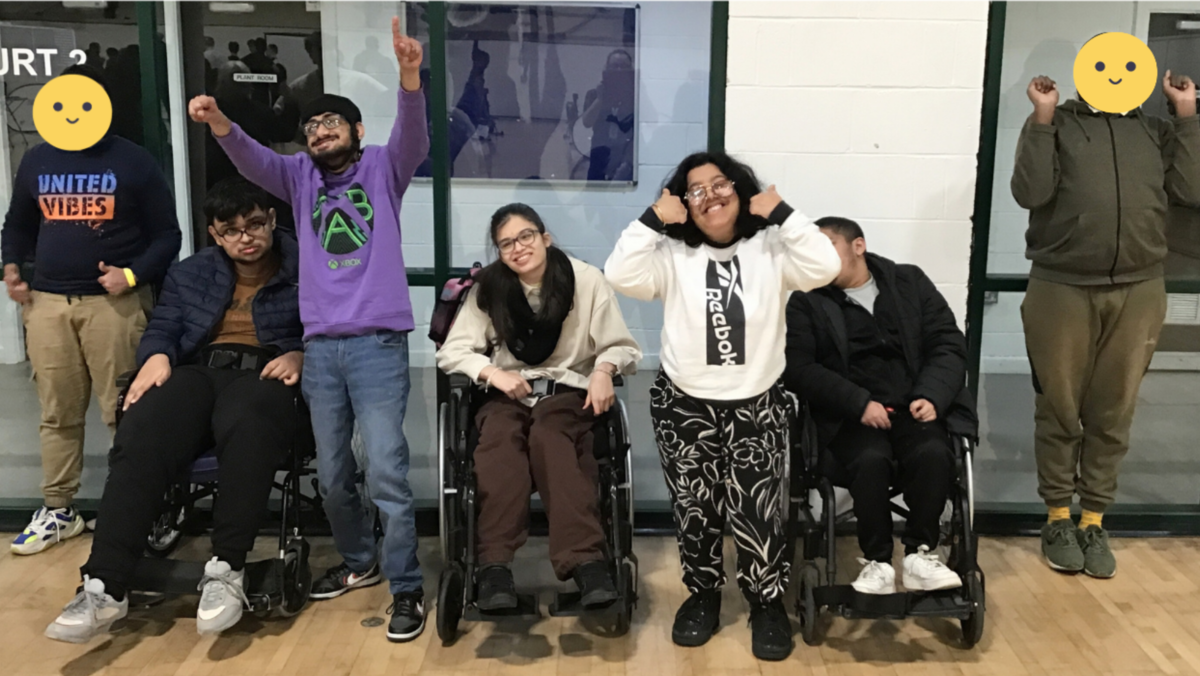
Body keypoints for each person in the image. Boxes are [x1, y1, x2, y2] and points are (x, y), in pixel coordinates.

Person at [188, 17, 430, 643]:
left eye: (333, 124)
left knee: (385, 470)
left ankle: (407, 589)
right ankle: (359, 563)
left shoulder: (382, 168)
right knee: (330, 474)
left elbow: (414, 138)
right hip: (321, 347)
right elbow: (253, 157)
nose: (320, 132)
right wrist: (220, 123)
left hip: (376, 342)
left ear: (356, 132)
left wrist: (409, 77)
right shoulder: (297, 180)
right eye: (313, 127)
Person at [42, 178, 303, 643]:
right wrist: (158, 354)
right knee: (142, 430)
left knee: (249, 423)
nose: (246, 237)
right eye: (232, 230)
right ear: (215, 234)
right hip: (198, 368)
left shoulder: (306, 267)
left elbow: (329, 325)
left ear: (273, 220)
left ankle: (227, 569)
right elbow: (163, 326)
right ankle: (104, 585)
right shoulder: (192, 272)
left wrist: (302, 354)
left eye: (256, 224)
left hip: (265, 371)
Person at [604, 152, 841, 661]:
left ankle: (765, 603)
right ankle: (704, 595)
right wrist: (651, 219)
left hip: (756, 402)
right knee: (696, 510)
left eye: (720, 184)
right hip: (684, 403)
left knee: (759, 511)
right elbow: (620, 273)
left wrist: (783, 212)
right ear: (683, 204)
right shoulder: (671, 253)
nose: (710, 195)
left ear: (741, 189)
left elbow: (827, 265)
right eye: (696, 190)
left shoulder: (772, 246)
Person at [1012, 70, 1200, 578]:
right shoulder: (1059, 124)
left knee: (1114, 410)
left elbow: (1191, 187)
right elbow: (1029, 191)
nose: (1114, 75)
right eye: (1103, 66)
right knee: (1059, 406)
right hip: (1062, 284)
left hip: (1139, 288)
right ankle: (1057, 517)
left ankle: (1093, 519)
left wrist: (1186, 113)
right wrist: (1044, 116)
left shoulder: (1156, 131)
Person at [2, 64, 181, 556]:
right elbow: (16, 223)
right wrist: (12, 265)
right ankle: (59, 509)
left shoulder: (134, 161)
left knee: (128, 413)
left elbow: (169, 234)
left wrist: (131, 274)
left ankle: (142, 509)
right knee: (57, 412)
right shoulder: (37, 160)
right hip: (48, 305)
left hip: (115, 307)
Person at [437, 203, 642, 611]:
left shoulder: (586, 281)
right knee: (499, 442)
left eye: (525, 236)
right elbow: (453, 350)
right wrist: (492, 374)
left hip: (567, 392)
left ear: (545, 237)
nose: (518, 248)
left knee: (550, 435)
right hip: (508, 393)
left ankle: (586, 562)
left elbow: (622, 346)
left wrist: (603, 370)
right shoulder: (489, 289)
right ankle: (493, 567)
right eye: (506, 243)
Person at [784, 217, 977, 595]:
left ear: (858, 246)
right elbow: (798, 368)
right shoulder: (806, 300)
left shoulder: (909, 283)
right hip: (849, 417)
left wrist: (932, 395)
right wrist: (858, 403)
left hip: (913, 406)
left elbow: (948, 343)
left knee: (934, 452)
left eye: (828, 249)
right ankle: (878, 562)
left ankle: (921, 553)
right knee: (870, 460)